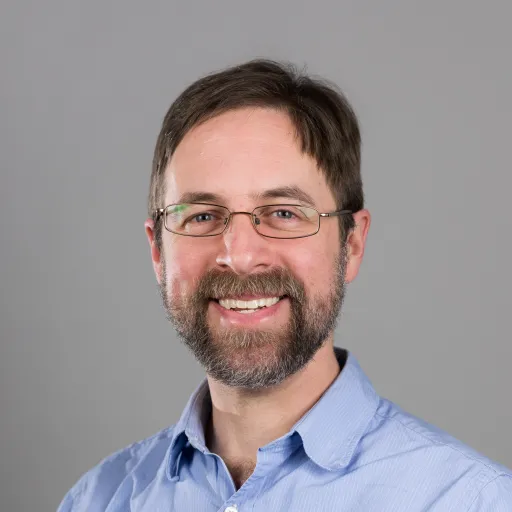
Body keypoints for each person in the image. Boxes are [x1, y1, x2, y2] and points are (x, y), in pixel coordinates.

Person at [57, 59, 512, 511]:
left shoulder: (472, 501)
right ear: (158, 251)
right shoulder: (97, 501)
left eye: (284, 213)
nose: (240, 255)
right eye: (202, 216)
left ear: (351, 244)